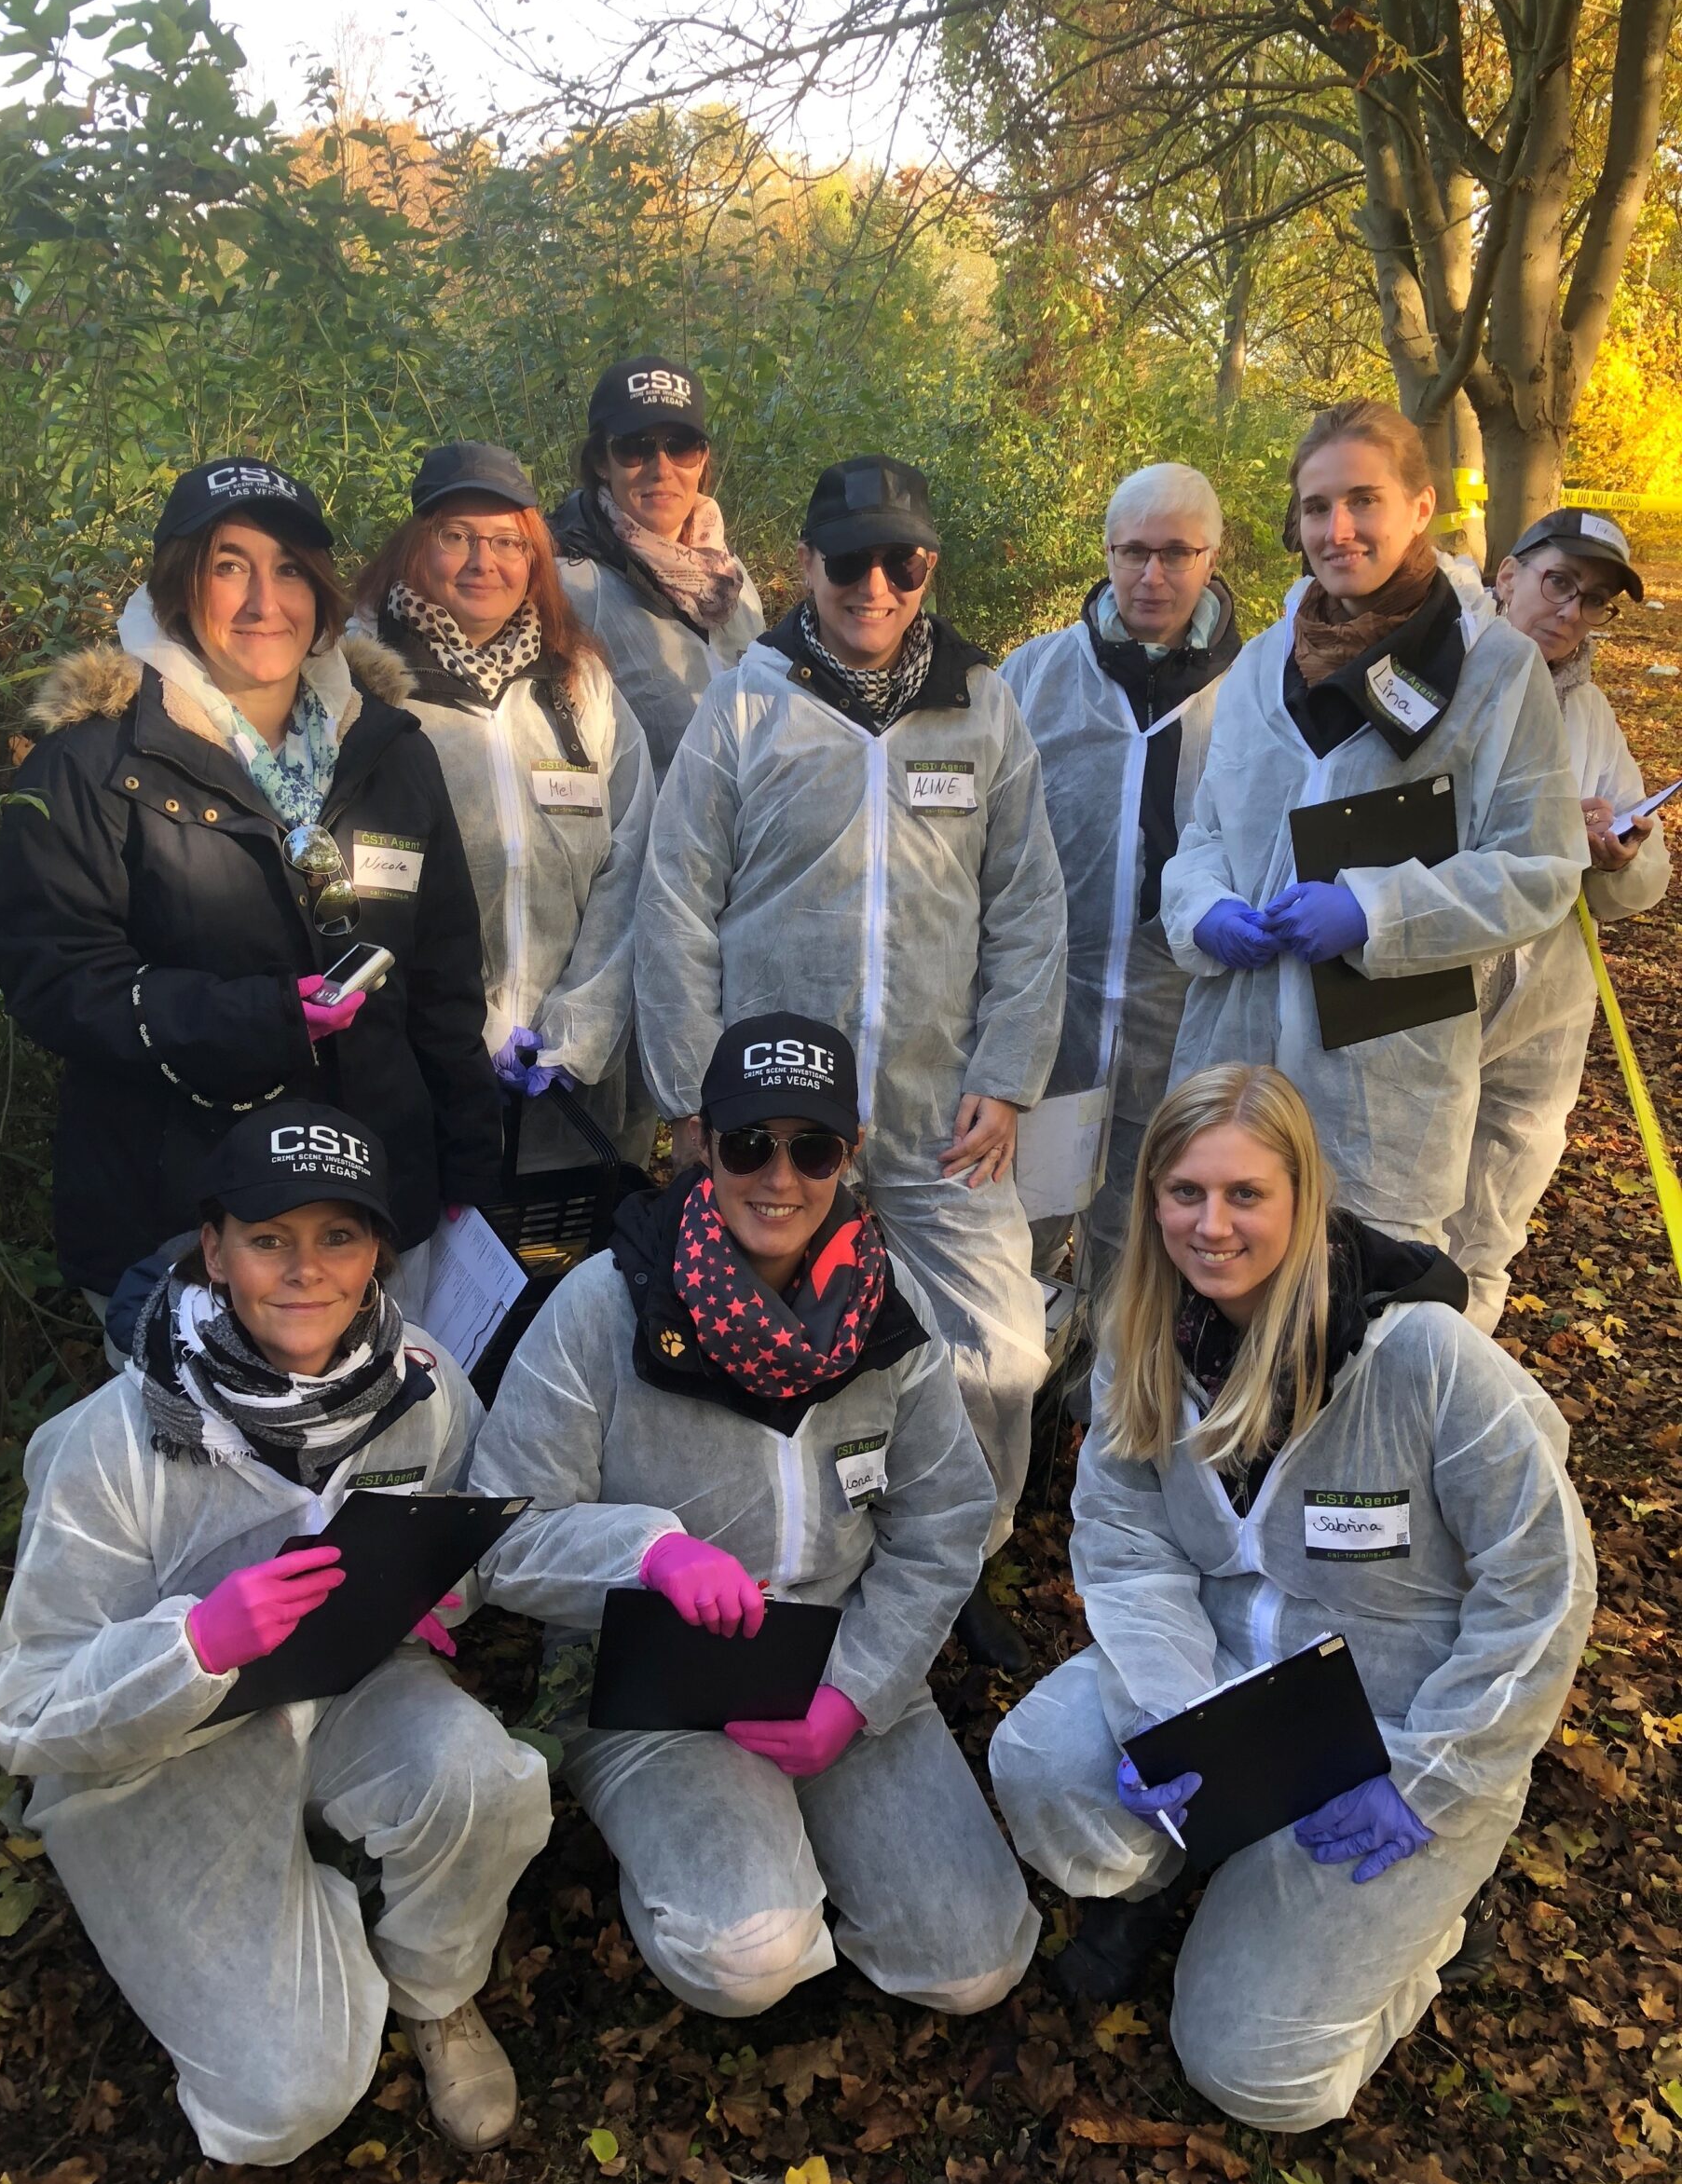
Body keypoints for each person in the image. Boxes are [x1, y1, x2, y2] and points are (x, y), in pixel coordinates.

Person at [990, 1064, 1594, 2132]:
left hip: (1399, 1730)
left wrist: (1434, 1777)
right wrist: (1177, 1714)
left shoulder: (1422, 1358)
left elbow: (1543, 1584)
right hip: (1231, 1680)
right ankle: (1182, 1868)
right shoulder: (1145, 1337)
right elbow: (1127, 1542)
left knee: (1254, 2076)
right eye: (1185, 1192)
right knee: (1043, 1768)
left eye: (1245, 1194)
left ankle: (1430, 1927)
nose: (1211, 1224)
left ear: (1305, 1195)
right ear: (1152, 1199)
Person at [0, 1107, 553, 2165]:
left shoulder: (423, 1382)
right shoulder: (116, 1438)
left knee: (487, 1780)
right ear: (215, 1250)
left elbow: (467, 1538)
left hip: (355, 1684)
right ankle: (287, 1931)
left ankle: (434, 1987)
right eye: (268, 1238)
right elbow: (24, 1709)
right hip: (164, 1753)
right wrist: (195, 1643)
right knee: (286, 2101)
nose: (306, 1270)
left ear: (378, 1252)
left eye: (339, 1236)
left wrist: (435, 1592)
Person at [470, 1015, 1039, 2018]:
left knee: (975, 1964)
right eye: (748, 1144)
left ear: (850, 1153)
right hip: (655, 1678)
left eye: (813, 1148)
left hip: (839, 1652)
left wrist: (857, 1692)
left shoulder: (887, 1302)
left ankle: (818, 1843)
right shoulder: (605, 1304)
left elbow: (945, 1513)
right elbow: (504, 1532)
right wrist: (649, 1553)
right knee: (747, 1959)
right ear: (698, 1141)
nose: (780, 1178)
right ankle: (718, 1868)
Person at [635, 457, 1066, 1671]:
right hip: (776, 1124)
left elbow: (1029, 906)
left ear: (929, 567)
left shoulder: (983, 706)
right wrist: (691, 1094)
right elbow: (676, 901)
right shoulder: (749, 701)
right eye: (850, 560)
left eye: (902, 561)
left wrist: (1009, 1073)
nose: (875, 585)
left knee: (1000, 1351)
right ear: (805, 564)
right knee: (776, 1345)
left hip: (939, 1112)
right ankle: (802, 1564)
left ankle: (951, 1560)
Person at [0, 458, 502, 1318]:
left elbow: (442, 983)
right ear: (180, 586)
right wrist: (264, 1020)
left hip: (371, 1212)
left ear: (322, 592)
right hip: (183, 1227)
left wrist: (469, 1166)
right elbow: (56, 980)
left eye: (290, 569)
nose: (265, 602)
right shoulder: (93, 762)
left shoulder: (391, 750)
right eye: (230, 566)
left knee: (384, 1409)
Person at [1161, 400, 1587, 1250]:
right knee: (1222, 1292)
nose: (1338, 530)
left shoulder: (1494, 669)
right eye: (1317, 507)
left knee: (1361, 1308)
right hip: (1235, 1065)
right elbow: (1206, 831)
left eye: (1364, 500)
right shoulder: (1260, 665)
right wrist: (1204, 908)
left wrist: (1375, 911)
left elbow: (1540, 867)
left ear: (1420, 507)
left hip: (1385, 1100)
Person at [353, 442, 656, 1167]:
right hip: (417, 1068)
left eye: (506, 542)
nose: (481, 562)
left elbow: (635, 856)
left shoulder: (579, 684)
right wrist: (468, 1028)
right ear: (415, 545)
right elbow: (357, 883)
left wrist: (575, 1029)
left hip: (569, 1082)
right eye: (456, 535)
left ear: (534, 556)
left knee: (566, 1239)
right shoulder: (359, 688)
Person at [1002, 461, 1241, 1287]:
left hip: (1180, 1009)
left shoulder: (1251, 692)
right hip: (1049, 1003)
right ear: (1106, 553)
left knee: (1145, 1225)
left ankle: (1114, 1366)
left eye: (1177, 553)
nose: (1152, 575)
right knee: (1026, 1212)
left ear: (1213, 557)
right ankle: (1024, 1361)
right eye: (1133, 552)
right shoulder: (1036, 676)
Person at [1447, 509, 1671, 1329]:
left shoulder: (1592, 713)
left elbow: (1641, 875)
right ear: (1508, 577)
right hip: (1429, 996)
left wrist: (1616, 854)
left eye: (1595, 599)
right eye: (1559, 583)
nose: (1572, 611)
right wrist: (1543, 833)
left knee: (1487, 1230)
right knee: (1390, 1215)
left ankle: (1452, 1380)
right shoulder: (1438, 677)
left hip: (1545, 1011)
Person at [551, 356, 764, 780]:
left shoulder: (730, 576)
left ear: (702, 460)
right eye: (635, 446)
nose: (661, 469)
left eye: (681, 446)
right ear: (601, 461)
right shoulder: (569, 586)